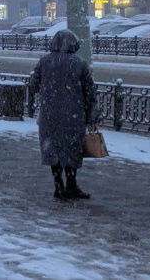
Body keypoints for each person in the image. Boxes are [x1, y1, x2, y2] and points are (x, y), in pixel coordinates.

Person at [29, 30, 98, 200]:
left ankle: (58, 185)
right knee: (72, 150)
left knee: (53, 150)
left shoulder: (44, 61)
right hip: (73, 115)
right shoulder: (80, 64)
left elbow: (33, 85)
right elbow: (90, 92)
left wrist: (48, 96)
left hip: (49, 115)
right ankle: (72, 185)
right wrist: (92, 115)